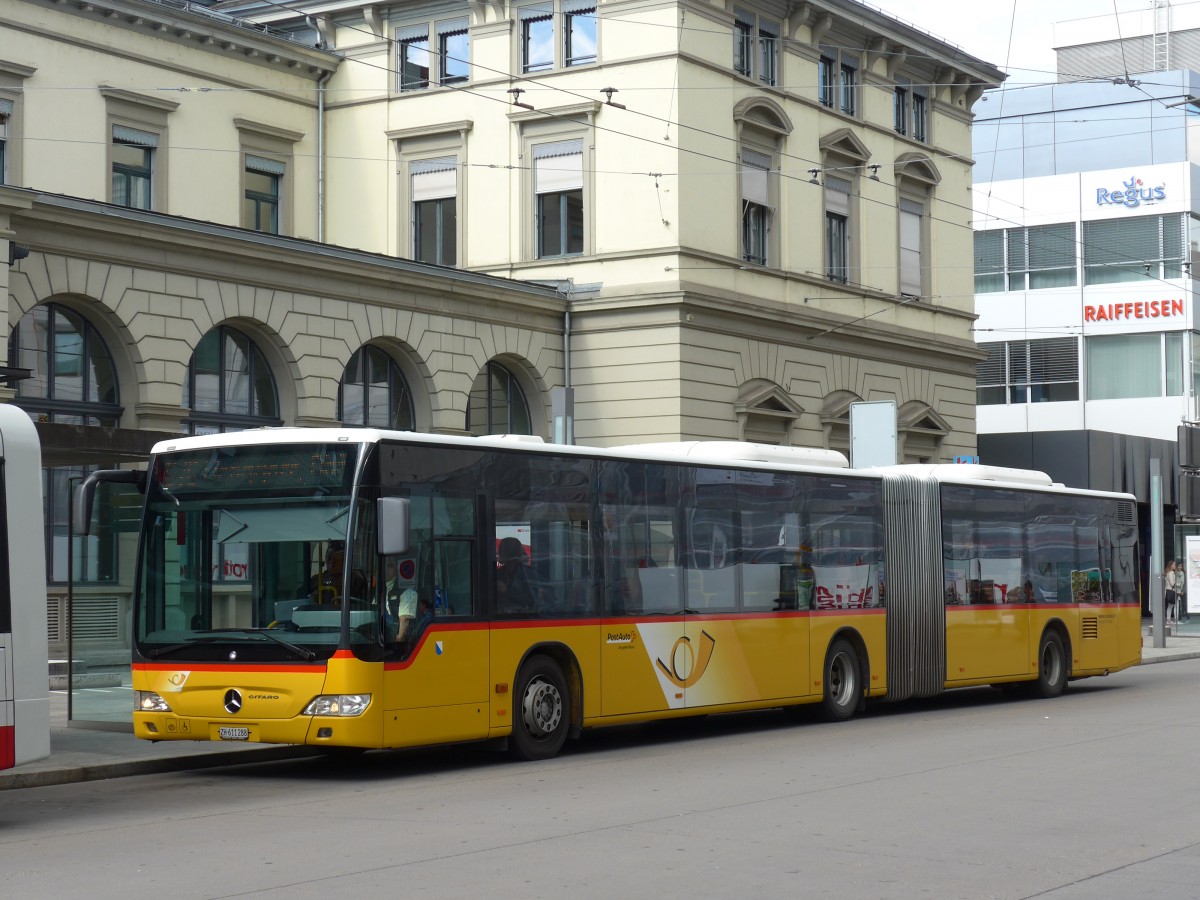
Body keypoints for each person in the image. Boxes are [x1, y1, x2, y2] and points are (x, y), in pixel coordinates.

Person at [1165, 559, 1179, 625]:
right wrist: (1178, 583)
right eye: (1173, 564)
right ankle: (1176, 620)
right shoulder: (1171, 573)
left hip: (1169, 591)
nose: (1175, 566)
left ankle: (1169, 620)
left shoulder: (1168, 572)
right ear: (1170, 565)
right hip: (1172, 591)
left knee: (1170, 606)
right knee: (1175, 605)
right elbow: (1172, 583)